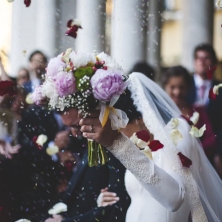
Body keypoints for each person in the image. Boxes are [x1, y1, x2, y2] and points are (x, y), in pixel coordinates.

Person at [80, 72, 222, 222]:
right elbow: (143, 197)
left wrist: (118, 143)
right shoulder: (142, 150)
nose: (120, 135)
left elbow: (174, 198)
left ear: (140, 119)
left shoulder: (177, 131)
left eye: (120, 128)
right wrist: (105, 200)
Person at [44, 108, 130, 222]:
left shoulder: (114, 144)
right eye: (69, 127)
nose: (74, 133)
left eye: (76, 125)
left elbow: (116, 207)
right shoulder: (82, 141)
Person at [163, 65, 216, 161]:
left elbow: (211, 139)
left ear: (187, 87)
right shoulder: (160, 112)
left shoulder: (198, 111)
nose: (177, 92)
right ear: (165, 87)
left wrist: (191, 151)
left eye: (181, 87)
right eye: (172, 87)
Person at [187, 44, 222, 176]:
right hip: (189, 148)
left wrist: (219, 152)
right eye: (198, 58)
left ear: (213, 62)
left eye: (206, 58)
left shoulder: (220, 88)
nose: (201, 62)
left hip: (215, 152)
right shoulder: (184, 87)